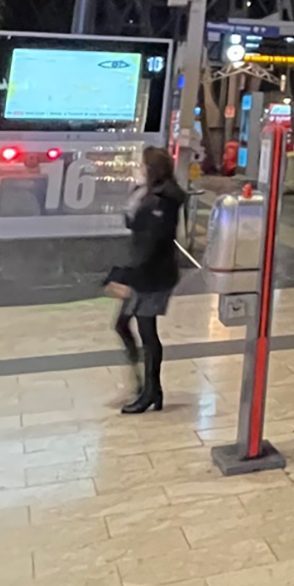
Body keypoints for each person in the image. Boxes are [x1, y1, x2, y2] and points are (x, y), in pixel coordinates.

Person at [107, 146, 187, 414]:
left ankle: (151, 391)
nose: (137, 169)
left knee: (146, 330)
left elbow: (152, 243)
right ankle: (143, 383)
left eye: (141, 166)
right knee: (122, 324)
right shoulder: (144, 195)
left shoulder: (164, 200)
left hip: (153, 274)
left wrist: (125, 277)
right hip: (141, 271)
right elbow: (134, 227)